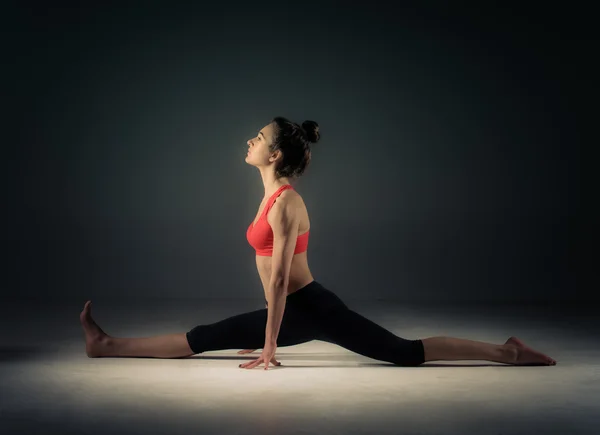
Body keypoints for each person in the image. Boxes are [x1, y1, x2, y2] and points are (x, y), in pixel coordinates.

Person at [80, 116, 557, 370]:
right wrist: (264, 332)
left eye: (258, 137)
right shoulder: (267, 195)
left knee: (404, 352)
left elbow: (283, 277)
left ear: (276, 152)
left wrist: (268, 344)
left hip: (314, 307)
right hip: (289, 308)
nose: (249, 141)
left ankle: (507, 352)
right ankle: (105, 344)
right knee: (209, 336)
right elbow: (269, 274)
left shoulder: (287, 202)